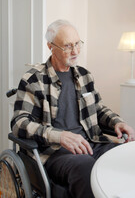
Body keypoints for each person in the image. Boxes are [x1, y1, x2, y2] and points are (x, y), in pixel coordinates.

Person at [11, 20, 135, 198]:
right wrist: (59, 136)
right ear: (50, 46)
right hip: (56, 152)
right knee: (86, 168)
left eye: (77, 44)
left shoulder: (84, 75)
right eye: (68, 46)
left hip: (91, 143)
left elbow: (98, 109)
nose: (75, 51)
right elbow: (19, 123)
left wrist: (118, 122)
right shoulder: (34, 79)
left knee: (125, 157)